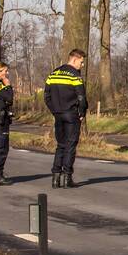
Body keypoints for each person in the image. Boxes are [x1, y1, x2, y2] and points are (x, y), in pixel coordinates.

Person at [44, 49, 88, 189]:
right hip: (71, 114)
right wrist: (82, 112)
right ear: (75, 59)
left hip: (58, 114)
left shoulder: (54, 73)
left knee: (60, 144)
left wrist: (54, 110)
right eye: (81, 62)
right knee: (70, 145)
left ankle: (55, 177)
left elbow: (47, 96)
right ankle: (67, 177)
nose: (82, 65)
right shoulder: (75, 75)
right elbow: (81, 96)